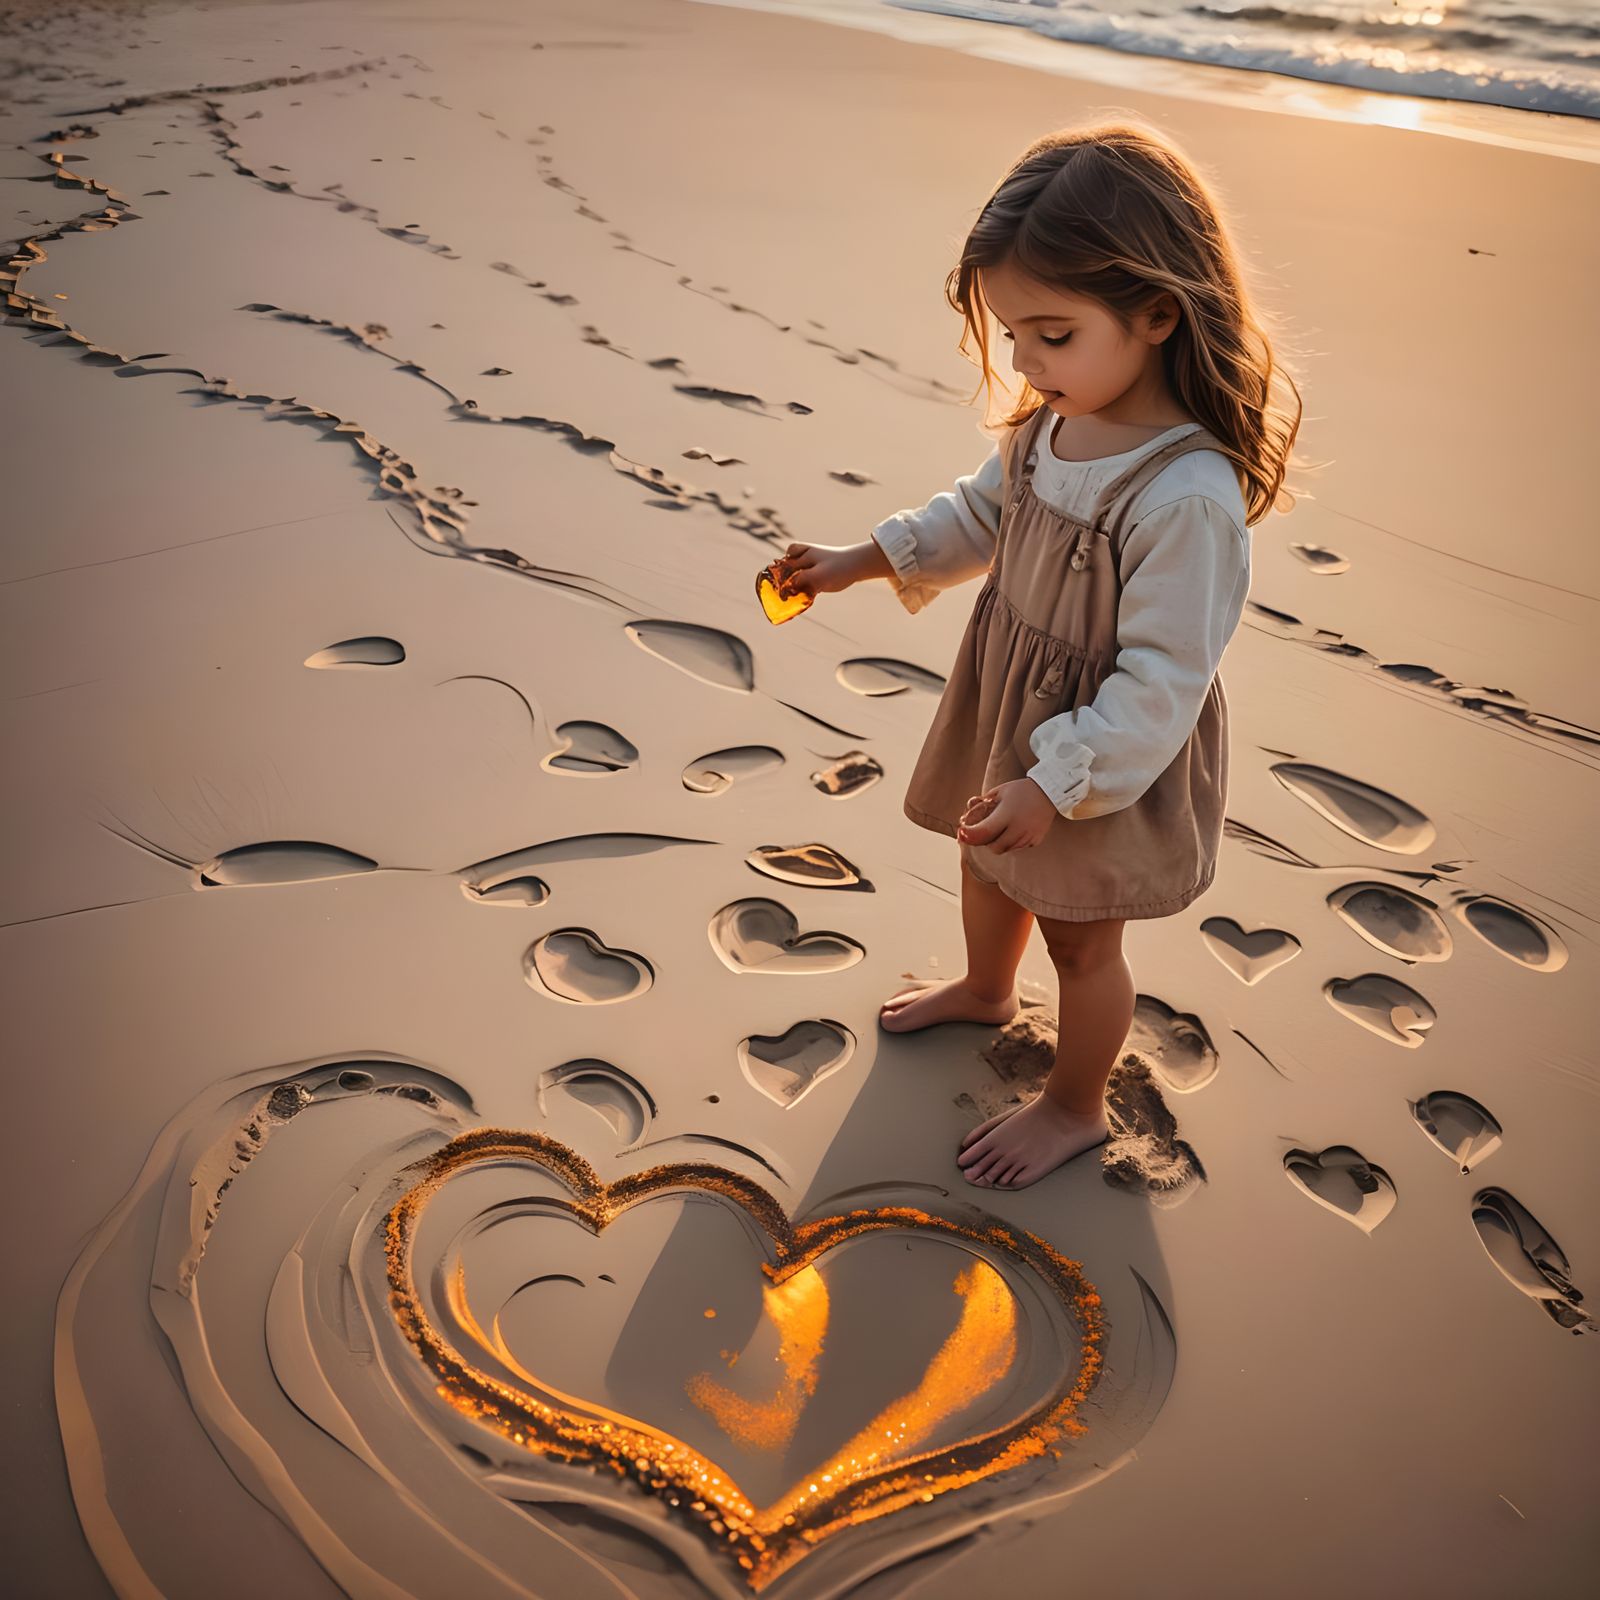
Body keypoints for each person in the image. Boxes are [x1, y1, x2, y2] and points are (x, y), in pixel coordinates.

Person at [778, 121, 1304, 1190]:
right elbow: (976, 517)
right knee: (984, 864)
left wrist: (1054, 779)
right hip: (1009, 706)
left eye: (1051, 334)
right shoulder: (1045, 427)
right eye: (1014, 334)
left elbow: (1163, 679)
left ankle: (1072, 1103)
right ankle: (982, 986)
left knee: (1078, 940)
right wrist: (859, 558)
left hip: (1102, 752)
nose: (1023, 362)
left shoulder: (1184, 496)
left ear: (1156, 314)